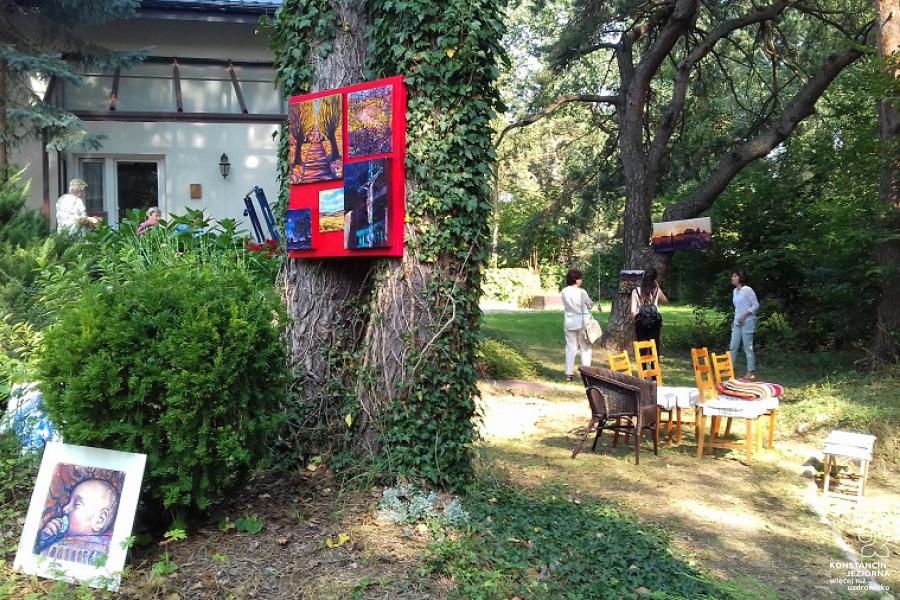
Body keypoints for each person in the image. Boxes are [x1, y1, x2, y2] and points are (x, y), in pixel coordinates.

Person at [34, 478, 120, 565]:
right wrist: (45, 540)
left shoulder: (104, 551)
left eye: (76, 504)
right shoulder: (56, 540)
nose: (65, 508)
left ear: (99, 520)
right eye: (69, 502)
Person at [561, 268, 597, 382]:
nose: (581, 280)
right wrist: (592, 303)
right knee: (585, 348)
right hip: (582, 322)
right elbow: (590, 305)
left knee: (570, 348)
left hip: (569, 321)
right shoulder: (582, 291)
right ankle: (587, 373)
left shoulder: (564, 291)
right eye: (580, 278)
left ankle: (569, 374)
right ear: (576, 280)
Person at [630, 268, 668, 354]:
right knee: (654, 348)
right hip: (654, 323)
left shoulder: (636, 291)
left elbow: (632, 311)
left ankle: (643, 367)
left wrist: (635, 322)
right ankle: (654, 366)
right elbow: (665, 301)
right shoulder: (656, 290)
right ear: (655, 278)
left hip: (641, 323)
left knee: (642, 349)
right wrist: (657, 287)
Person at [730, 270, 759, 380]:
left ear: (740, 278)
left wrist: (744, 315)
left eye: (734, 276)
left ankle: (750, 372)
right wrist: (735, 320)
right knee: (733, 346)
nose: (732, 278)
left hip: (748, 322)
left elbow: (756, 305)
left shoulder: (747, 290)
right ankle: (729, 370)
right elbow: (737, 309)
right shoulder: (734, 291)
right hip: (737, 323)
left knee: (748, 347)